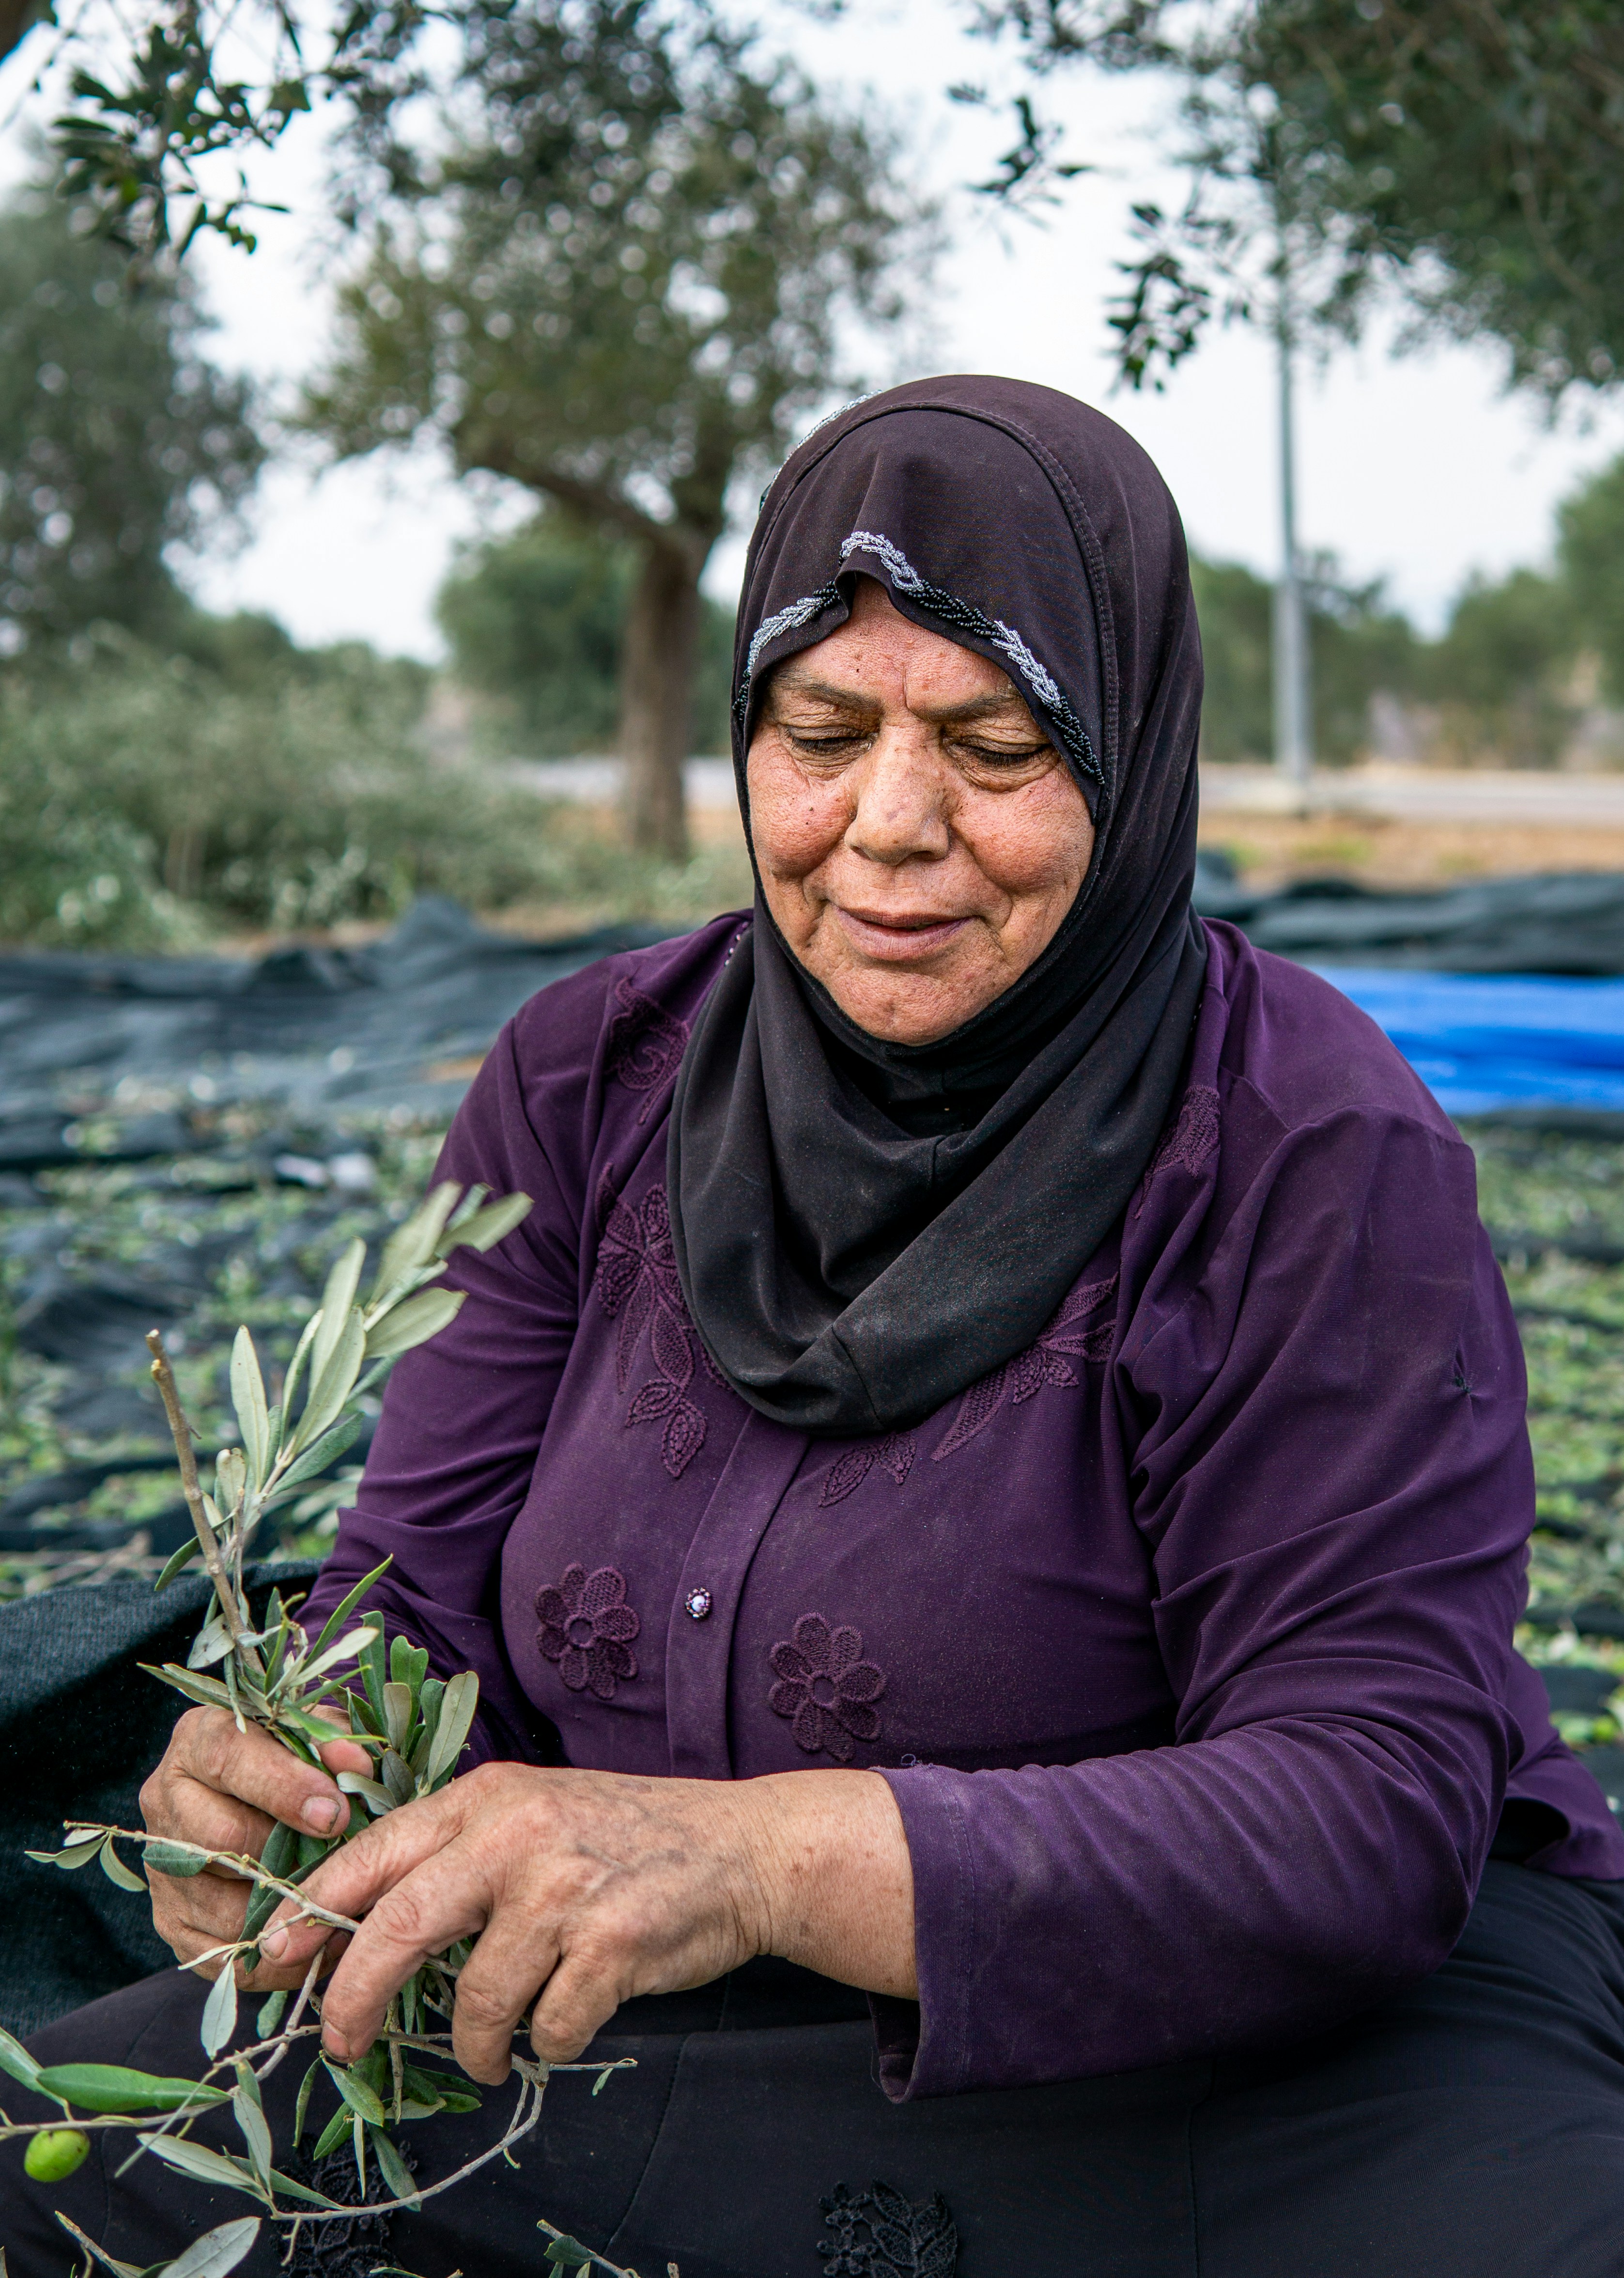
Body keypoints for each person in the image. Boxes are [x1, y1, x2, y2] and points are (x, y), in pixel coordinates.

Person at [10, 374, 1624, 2278]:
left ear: (1127, 751)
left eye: (994, 743)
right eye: (820, 730)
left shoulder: (1303, 1144)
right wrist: (302, 1759)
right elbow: (411, 1595)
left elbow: (1362, 1814)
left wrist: (752, 1856)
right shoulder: (586, 1082)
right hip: (648, 1997)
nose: (887, 826)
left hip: (1236, 2054)